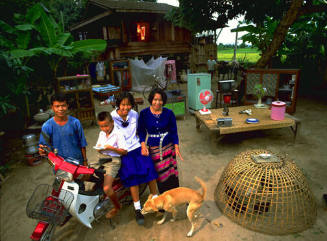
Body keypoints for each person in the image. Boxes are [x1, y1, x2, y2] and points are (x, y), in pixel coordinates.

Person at [111, 92, 158, 225]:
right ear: (118, 105)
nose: (125, 108)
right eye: (123, 104)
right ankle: (137, 209)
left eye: (128, 104)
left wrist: (143, 145)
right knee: (133, 177)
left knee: (150, 169)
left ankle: (156, 200)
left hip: (137, 147)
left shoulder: (134, 115)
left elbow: (139, 132)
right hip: (124, 151)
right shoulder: (112, 117)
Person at [138, 88, 184, 194]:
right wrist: (143, 145)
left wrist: (176, 146)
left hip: (168, 146)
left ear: (163, 101)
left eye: (160, 100)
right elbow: (141, 131)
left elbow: (173, 131)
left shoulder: (169, 113)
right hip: (154, 149)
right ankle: (164, 196)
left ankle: (175, 195)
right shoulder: (144, 114)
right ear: (151, 100)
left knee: (171, 171)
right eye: (155, 99)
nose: (157, 102)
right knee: (159, 172)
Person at [39, 93, 87, 165]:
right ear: (52, 107)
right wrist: (42, 151)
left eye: (63, 105)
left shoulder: (75, 123)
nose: (60, 109)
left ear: (67, 106)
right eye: (57, 106)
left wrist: (85, 161)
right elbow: (44, 148)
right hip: (60, 166)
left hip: (78, 163)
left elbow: (82, 144)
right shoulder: (47, 126)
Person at [94, 111, 127, 219]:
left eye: (106, 125)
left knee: (107, 188)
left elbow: (124, 151)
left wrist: (111, 148)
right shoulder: (102, 133)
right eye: (101, 126)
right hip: (102, 159)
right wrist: (100, 148)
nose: (104, 129)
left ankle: (117, 206)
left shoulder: (118, 133)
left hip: (113, 161)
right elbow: (99, 147)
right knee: (89, 175)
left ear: (112, 122)